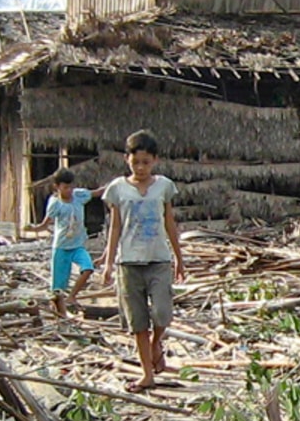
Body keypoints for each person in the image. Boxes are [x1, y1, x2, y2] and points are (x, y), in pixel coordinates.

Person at [100, 129, 184, 393]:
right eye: (136, 162)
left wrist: (179, 258)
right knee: (137, 323)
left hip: (158, 259)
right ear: (127, 159)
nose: (141, 167)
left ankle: (157, 343)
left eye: (146, 162)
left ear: (155, 161)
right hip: (129, 263)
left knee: (162, 312)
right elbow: (115, 227)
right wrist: (108, 263)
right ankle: (147, 374)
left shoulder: (164, 186)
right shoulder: (117, 189)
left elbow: (169, 222)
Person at [29, 168, 106, 316]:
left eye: (71, 186)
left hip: (77, 245)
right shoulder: (55, 203)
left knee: (88, 268)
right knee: (57, 289)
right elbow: (45, 224)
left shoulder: (79, 195)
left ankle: (72, 296)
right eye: (65, 187)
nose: (69, 190)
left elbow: (97, 192)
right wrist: (33, 228)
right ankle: (58, 315)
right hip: (61, 247)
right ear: (57, 187)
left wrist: (114, 185)